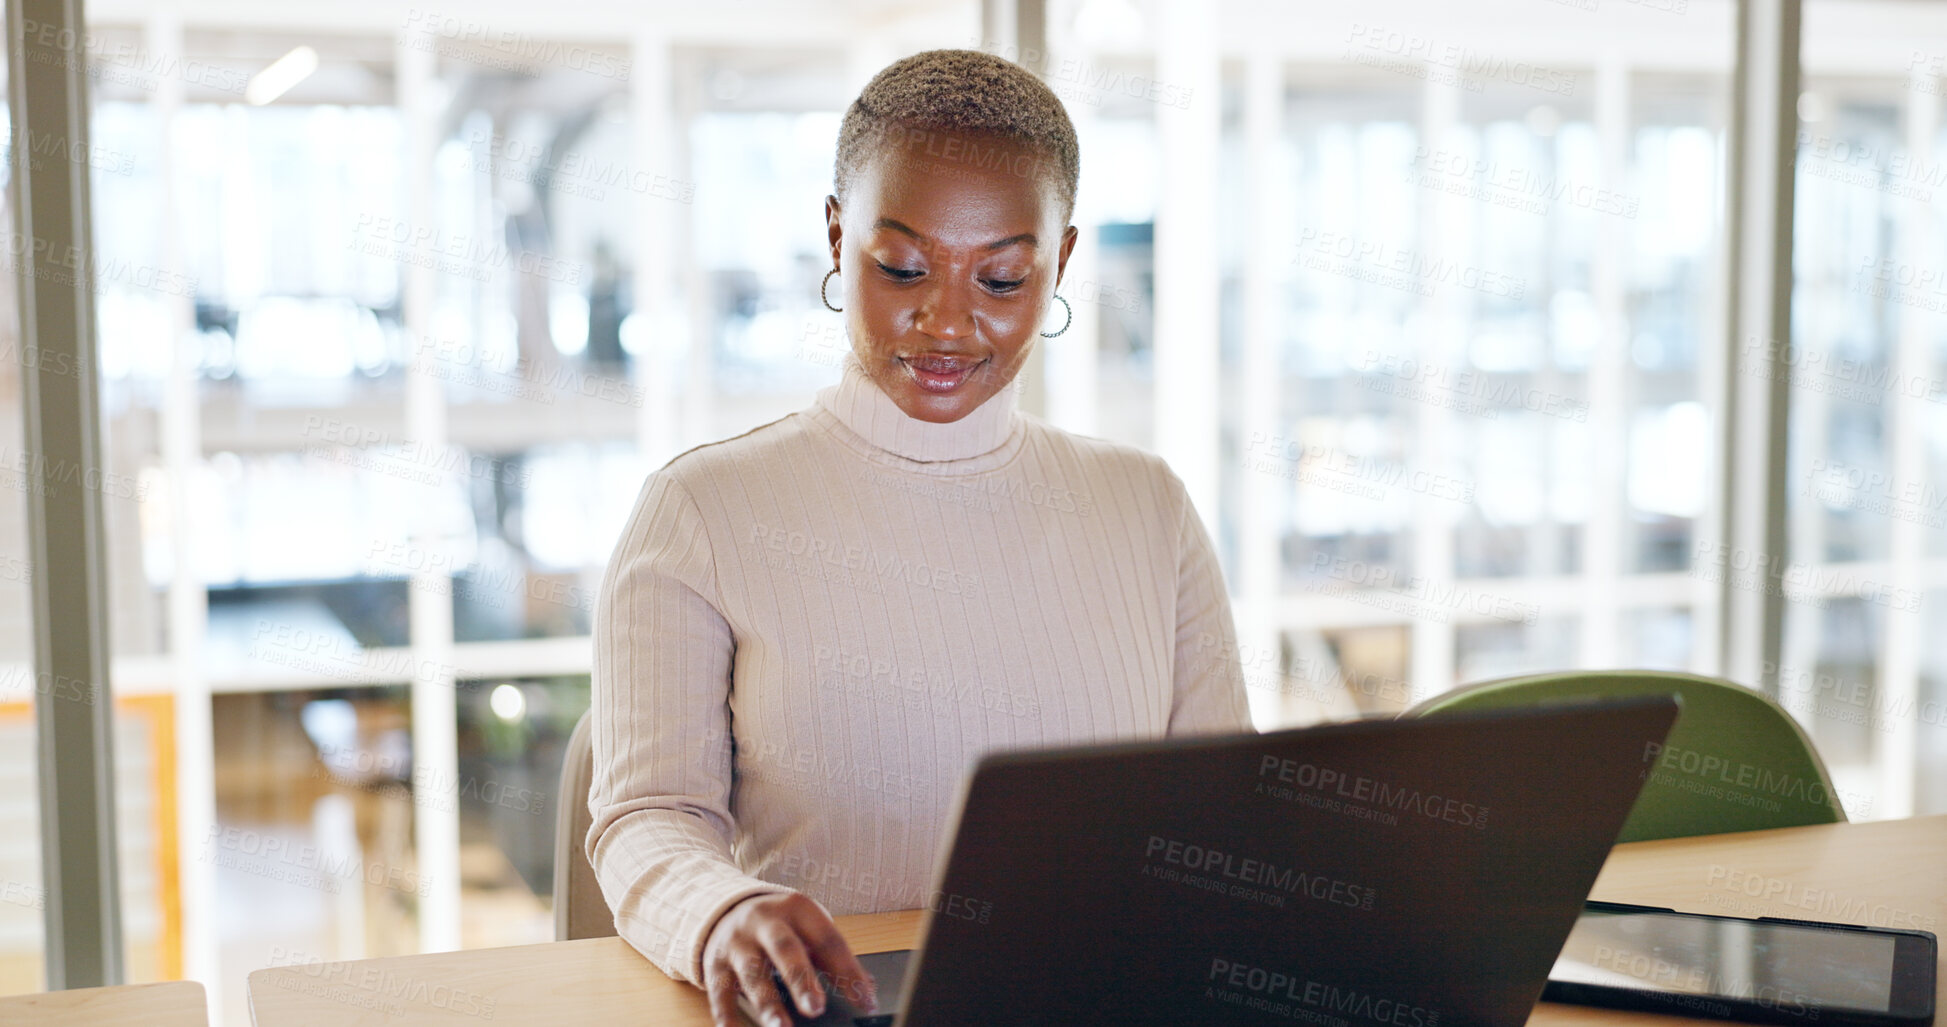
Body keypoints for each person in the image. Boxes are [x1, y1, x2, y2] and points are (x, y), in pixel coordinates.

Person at [586, 48, 1252, 1027]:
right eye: (901, 267)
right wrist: (719, 912)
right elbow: (649, 815)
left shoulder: (1148, 507)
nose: (946, 322)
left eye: (1002, 277)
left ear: (1060, 262)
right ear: (834, 235)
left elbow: (1226, 819)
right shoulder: (700, 512)